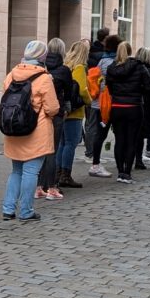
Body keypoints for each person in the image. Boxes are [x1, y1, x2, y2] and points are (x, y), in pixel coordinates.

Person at [1, 40, 60, 222]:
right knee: (31, 172)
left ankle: (8, 208)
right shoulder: (43, 78)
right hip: (36, 131)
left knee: (16, 171)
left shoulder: (12, 74)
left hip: (14, 129)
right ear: (42, 56)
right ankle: (26, 211)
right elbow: (52, 108)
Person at [105, 41, 150, 183]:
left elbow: (109, 87)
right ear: (130, 51)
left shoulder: (111, 68)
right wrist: (138, 91)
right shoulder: (139, 67)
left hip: (117, 107)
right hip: (134, 107)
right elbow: (149, 87)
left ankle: (120, 171)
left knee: (119, 140)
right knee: (131, 140)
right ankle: (127, 173)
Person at [36, 37, 72, 201]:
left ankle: (38, 186)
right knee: (52, 150)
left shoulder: (41, 67)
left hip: (40, 112)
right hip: (56, 113)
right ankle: (50, 186)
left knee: (40, 150)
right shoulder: (64, 70)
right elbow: (69, 92)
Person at [57, 40, 91, 189]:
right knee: (71, 143)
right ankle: (65, 175)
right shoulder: (79, 68)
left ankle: (57, 173)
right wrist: (89, 100)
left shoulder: (66, 66)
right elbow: (82, 90)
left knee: (62, 143)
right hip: (75, 111)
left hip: (63, 109)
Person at [88, 34, 120, 177]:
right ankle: (96, 165)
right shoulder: (112, 63)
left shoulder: (102, 60)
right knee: (104, 134)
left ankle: (96, 163)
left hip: (98, 103)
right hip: (107, 104)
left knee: (99, 134)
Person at [133, 47, 150, 170]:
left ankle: (128, 159)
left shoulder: (131, 69)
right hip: (145, 107)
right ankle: (138, 160)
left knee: (131, 135)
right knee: (140, 135)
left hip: (131, 104)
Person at [84, 27, 109, 159]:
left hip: (89, 91)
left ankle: (89, 150)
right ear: (105, 39)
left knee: (90, 123)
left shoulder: (90, 52)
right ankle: (93, 151)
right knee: (96, 124)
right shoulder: (103, 56)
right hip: (99, 94)